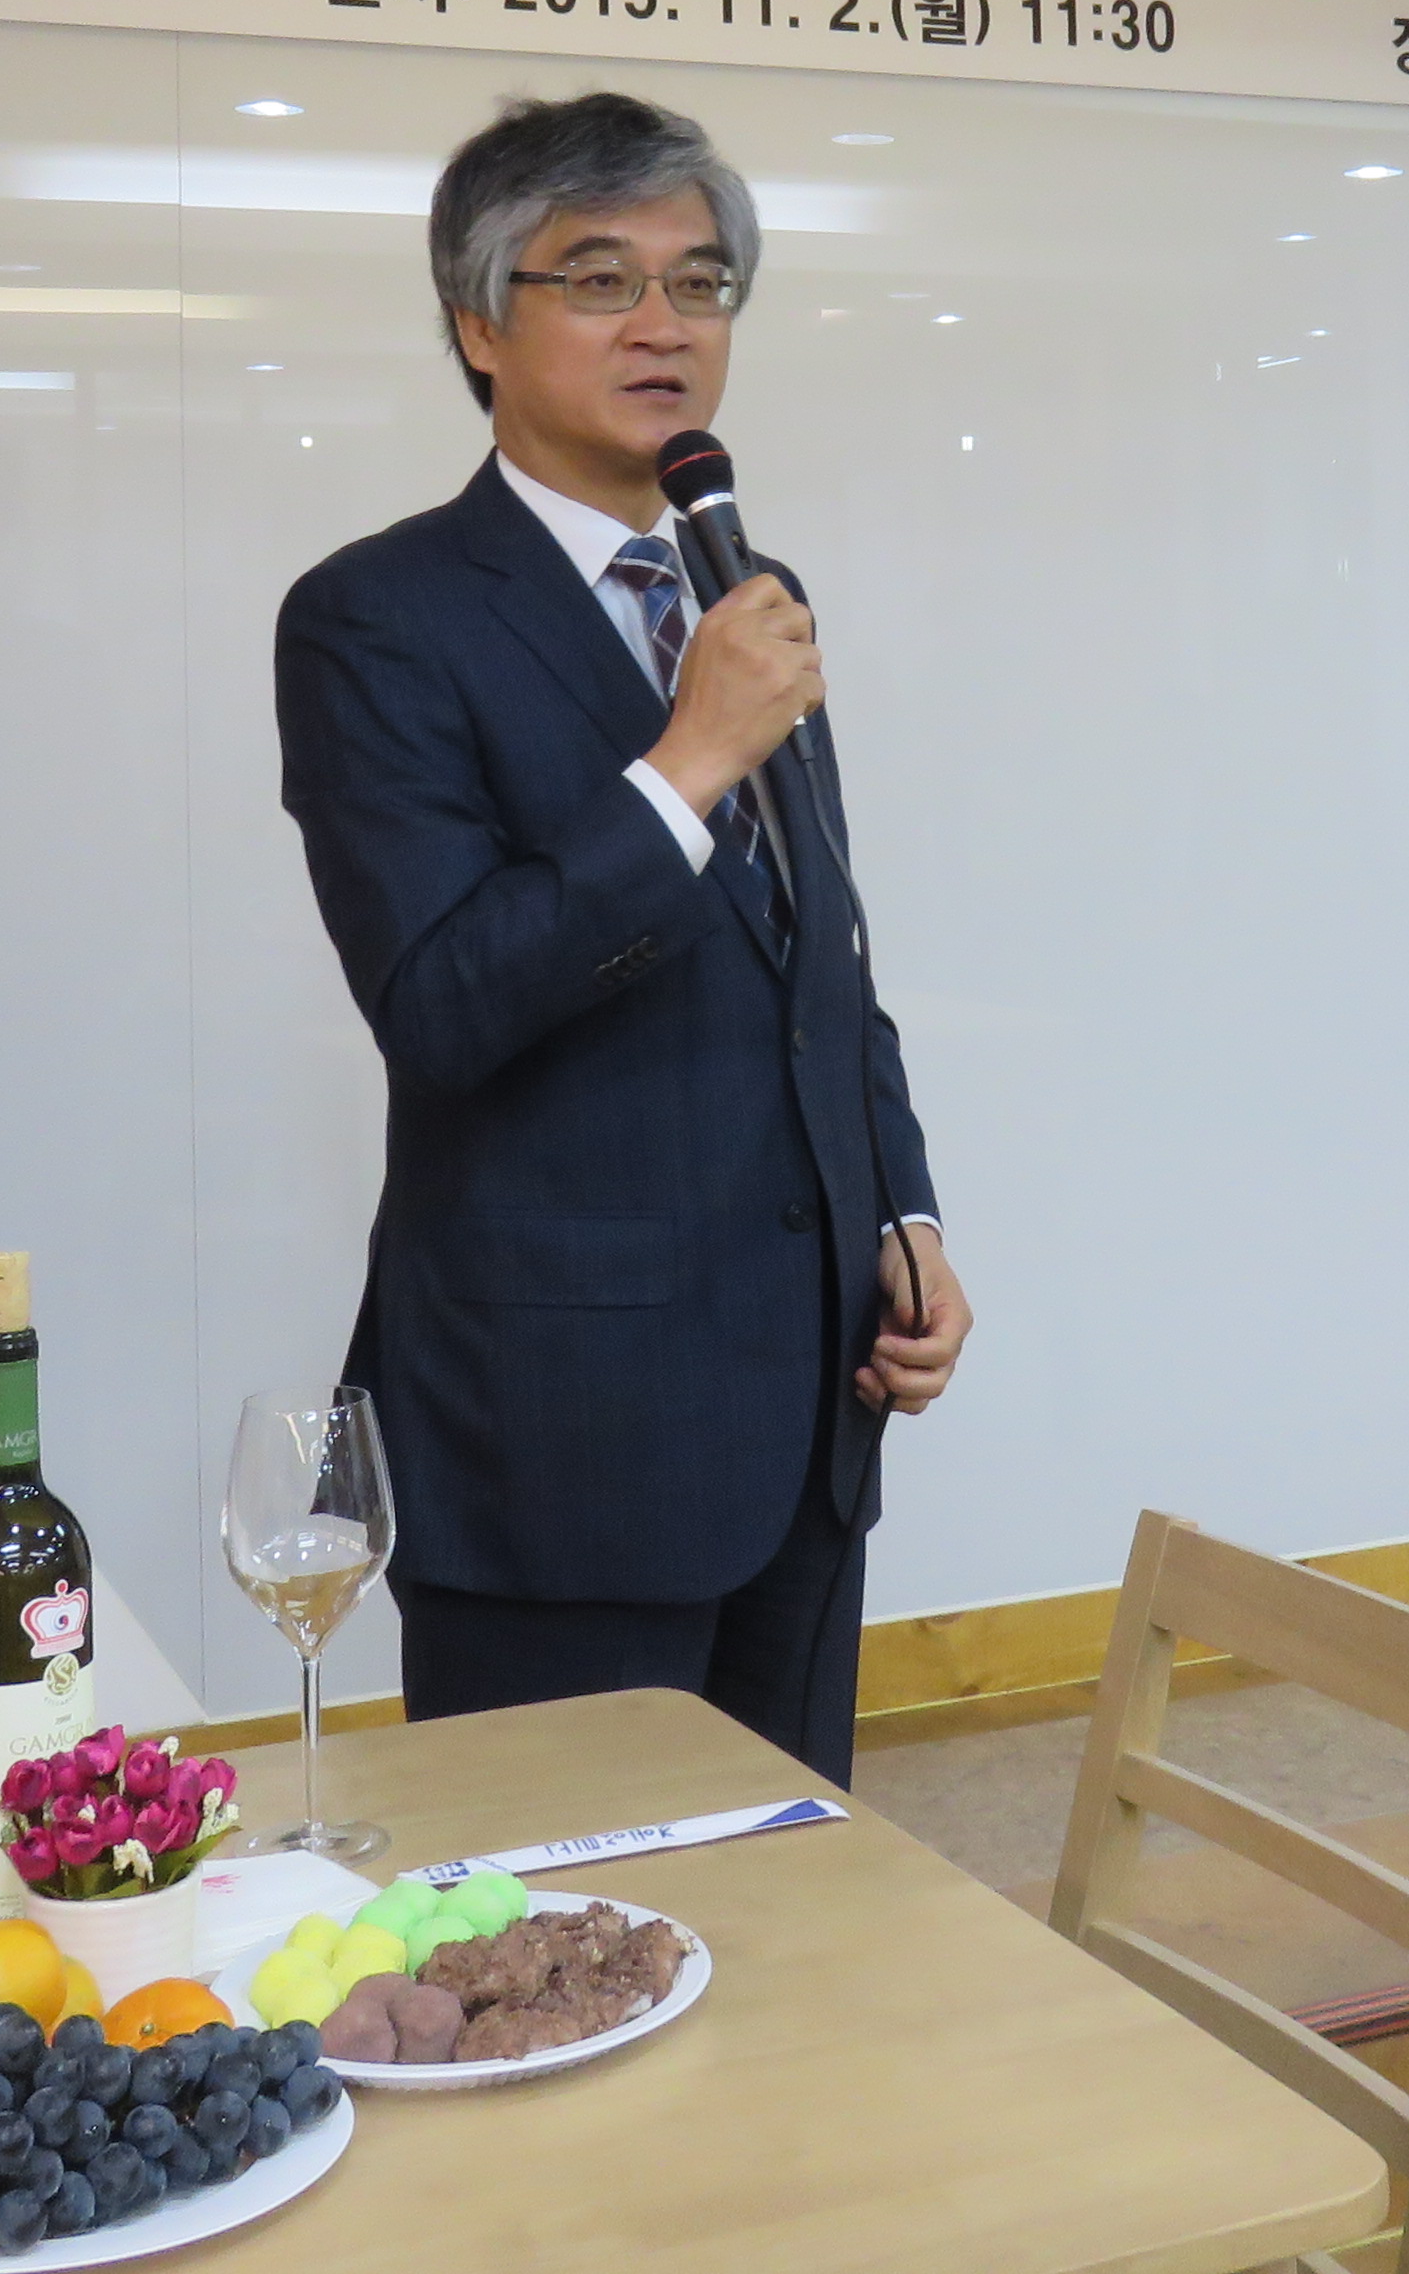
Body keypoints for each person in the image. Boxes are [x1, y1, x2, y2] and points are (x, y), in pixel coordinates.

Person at [272, 89, 973, 1784]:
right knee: (556, 1915)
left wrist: (906, 1212)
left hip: (811, 1411)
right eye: (600, 280)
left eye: (702, 281)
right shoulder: (378, 617)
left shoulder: (744, 590)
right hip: (557, 1439)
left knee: (791, 1903)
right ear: (478, 324)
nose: (666, 323)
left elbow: (821, 954)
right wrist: (688, 762)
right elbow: (444, 1002)